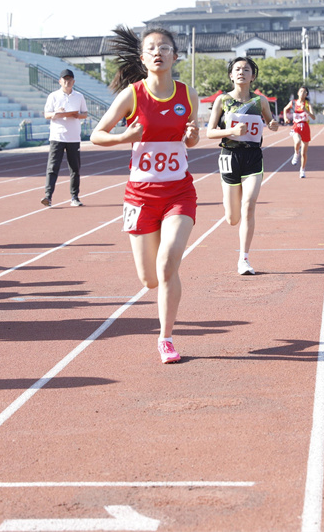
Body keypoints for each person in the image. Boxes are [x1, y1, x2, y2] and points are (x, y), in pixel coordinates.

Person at [90, 26, 200, 364]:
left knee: (168, 264)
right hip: (140, 196)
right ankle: (161, 290)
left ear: (174, 56)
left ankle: (166, 338)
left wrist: (193, 135)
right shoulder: (132, 96)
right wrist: (125, 138)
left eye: (164, 47)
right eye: (151, 48)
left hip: (179, 191)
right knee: (149, 278)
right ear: (143, 58)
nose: (158, 52)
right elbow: (96, 135)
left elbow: (191, 140)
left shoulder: (187, 94)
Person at [206, 57, 278, 275]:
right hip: (229, 157)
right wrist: (231, 132)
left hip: (253, 157)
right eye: (237, 69)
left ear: (252, 76)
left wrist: (273, 124)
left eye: (246, 69)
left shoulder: (260, 101)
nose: (241, 72)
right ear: (231, 75)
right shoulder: (222, 101)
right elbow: (209, 132)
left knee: (249, 205)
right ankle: (229, 205)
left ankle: (243, 259)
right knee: (232, 218)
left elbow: (271, 123)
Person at [41, 69, 89, 207]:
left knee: (75, 168)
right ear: (60, 81)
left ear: (73, 82)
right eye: (65, 79)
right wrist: (57, 113)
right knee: (52, 167)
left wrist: (77, 115)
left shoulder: (79, 96)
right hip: (57, 136)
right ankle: (48, 196)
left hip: (73, 137)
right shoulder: (53, 96)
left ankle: (74, 197)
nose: (67, 82)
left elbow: (85, 113)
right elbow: (46, 114)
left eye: (70, 80)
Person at [283, 86, 316, 178]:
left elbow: (313, 117)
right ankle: (296, 153)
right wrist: (285, 118)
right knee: (297, 141)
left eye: (304, 92)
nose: (302, 93)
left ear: (306, 94)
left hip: (305, 127)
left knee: (304, 153)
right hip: (296, 126)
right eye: (301, 91)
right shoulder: (293, 103)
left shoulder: (307, 104)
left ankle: (302, 169)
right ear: (298, 93)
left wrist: (306, 111)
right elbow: (285, 109)